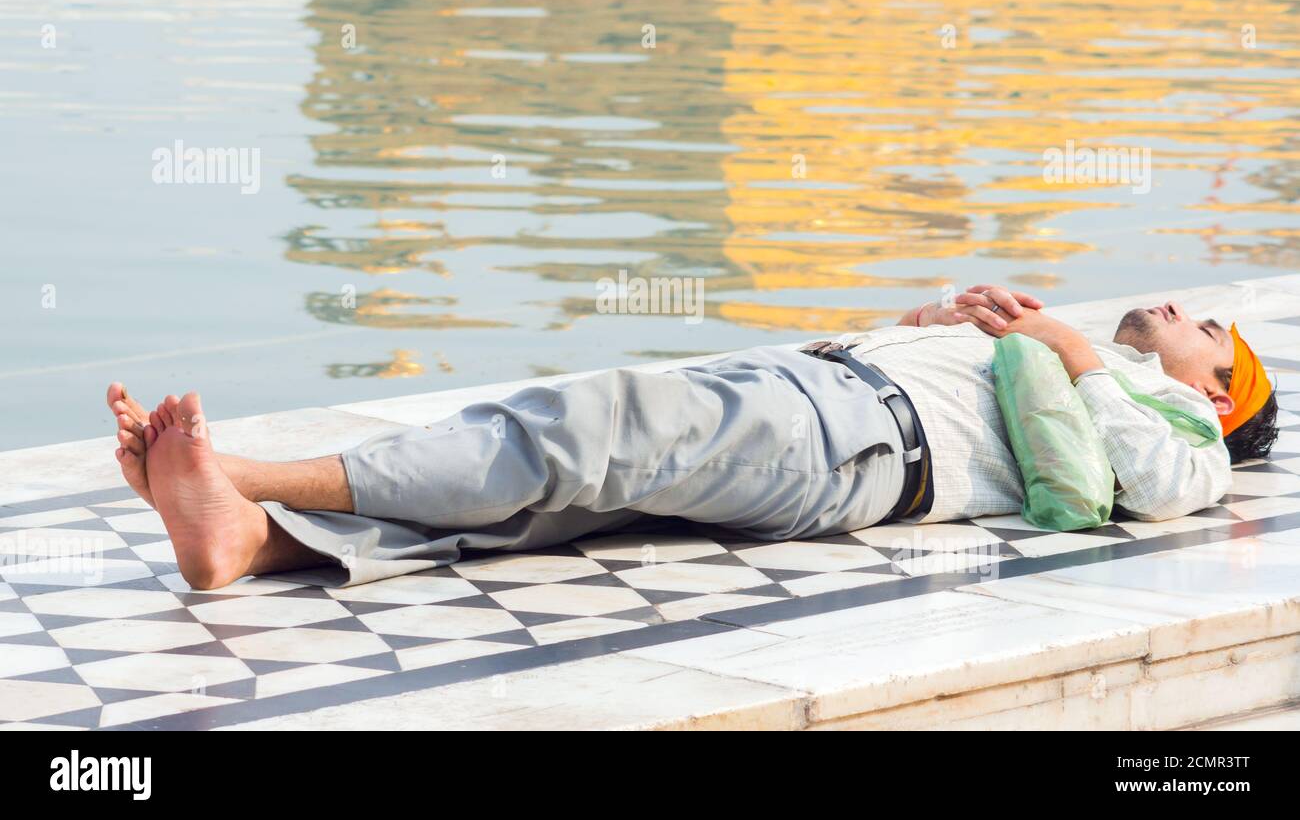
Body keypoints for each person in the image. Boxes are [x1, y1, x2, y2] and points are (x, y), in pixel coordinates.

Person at [107, 284, 1278, 590]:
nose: (1186, 313)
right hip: (827, 399)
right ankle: (254, 541)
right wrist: (921, 327)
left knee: (587, 423)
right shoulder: (1091, 356)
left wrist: (1075, 352)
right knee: (549, 503)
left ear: (1218, 392)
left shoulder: (1187, 427)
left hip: (854, 441)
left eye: (1209, 331)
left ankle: (233, 472)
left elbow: (1169, 486)